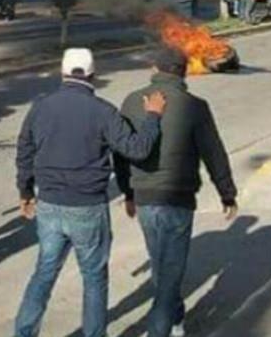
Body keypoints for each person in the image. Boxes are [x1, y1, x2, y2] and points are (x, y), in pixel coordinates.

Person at [14, 49, 168, 337]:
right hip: (87, 206)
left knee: (44, 273)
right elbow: (136, 149)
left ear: (62, 72)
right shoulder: (103, 111)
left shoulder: (40, 107)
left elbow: (24, 152)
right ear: (93, 75)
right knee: (94, 278)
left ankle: (23, 332)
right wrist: (153, 117)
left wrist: (25, 192)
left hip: (48, 204)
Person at [114, 48, 238, 337]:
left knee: (160, 265)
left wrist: (127, 192)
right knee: (170, 273)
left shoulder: (132, 101)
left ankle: (176, 319)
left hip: (144, 197)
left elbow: (120, 153)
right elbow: (213, 152)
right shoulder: (194, 105)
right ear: (183, 72)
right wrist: (227, 192)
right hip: (178, 198)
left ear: (154, 67)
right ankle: (161, 329)